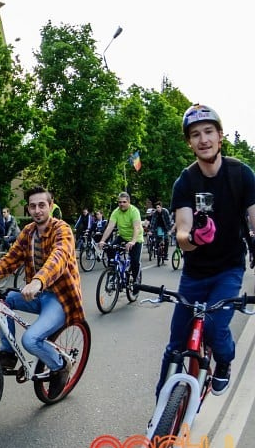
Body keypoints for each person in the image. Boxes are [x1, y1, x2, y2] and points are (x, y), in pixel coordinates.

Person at [160, 104, 255, 396]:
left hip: (228, 268)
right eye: (195, 134)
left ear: (220, 136)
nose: (203, 139)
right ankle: (160, 413)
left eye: (208, 132)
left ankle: (224, 361)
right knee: (175, 345)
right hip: (195, 273)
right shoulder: (185, 181)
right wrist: (196, 239)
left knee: (214, 328)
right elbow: (183, 233)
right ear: (190, 143)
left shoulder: (242, 174)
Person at [0, 186, 85, 398]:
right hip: (37, 293)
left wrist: (37, 281)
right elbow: (11, 259)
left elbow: (58, 258)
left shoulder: (63, 229)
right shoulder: (28, 232)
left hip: (60, 298)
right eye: (33, 206)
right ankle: (8, 352)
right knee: (3, 301)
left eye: (42, 205)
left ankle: (60, 366)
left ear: (50, 206)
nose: (37, 210)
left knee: (31, 340)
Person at [97, 191, 144, 283]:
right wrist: (102, 240)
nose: (121, 204)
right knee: (109, 248)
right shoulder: (116, 212)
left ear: (129, 202)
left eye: (124, 202)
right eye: (119, 202)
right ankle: (113, 272)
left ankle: (136, 282)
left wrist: (133, 242)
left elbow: (137, 228)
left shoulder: (134, 211)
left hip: (136, 238)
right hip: (122, 236)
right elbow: (110, 227)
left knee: (135, 261)